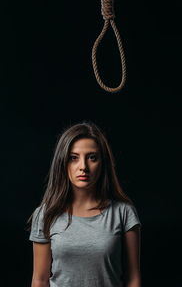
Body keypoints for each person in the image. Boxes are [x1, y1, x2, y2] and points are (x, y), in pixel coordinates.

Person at [29, 122, 141, 287]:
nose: (83, 167)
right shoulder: (45, 215)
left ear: (103, 163)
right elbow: (39, 280)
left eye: (92, 158)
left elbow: (133, 279)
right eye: (74, 158)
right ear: (63, 162)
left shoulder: (123, 213)